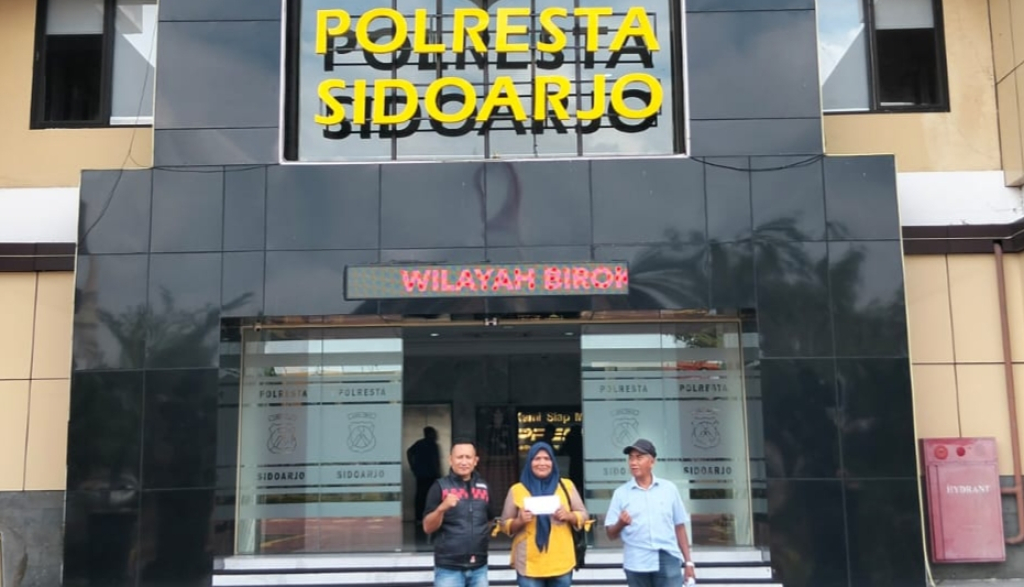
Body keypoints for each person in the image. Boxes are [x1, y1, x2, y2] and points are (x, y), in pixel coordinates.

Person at [604, 439, 696, 587]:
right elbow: (610, 534)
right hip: (636, 561)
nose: (633, 463)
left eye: (639, 458)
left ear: (652, 462)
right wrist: (620, 524)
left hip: (667, 557)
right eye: (631, 458)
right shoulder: (621, 493)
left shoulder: (669, 489)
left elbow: (679, 526)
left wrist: (688, 562)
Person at [500, 442, 588, 587]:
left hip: (561, 561)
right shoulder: (517, 490)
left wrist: (568, 515)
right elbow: (504, 524)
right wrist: (519, 521)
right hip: (529, 563)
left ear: (553, 462)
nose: (542, 463)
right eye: (537, 459)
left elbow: (584, 515)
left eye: (547, 459)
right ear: (529, 462)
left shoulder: (566, 486)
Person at [423, 439, 496, 587]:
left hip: (479, 567)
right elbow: (427, 527)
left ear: (475, 461)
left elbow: (489, 520)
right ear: (450, 460)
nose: (464, 462)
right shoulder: (440, 486)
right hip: (448, 568)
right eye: (459, 457)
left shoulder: (484, 488)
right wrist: (442, 508)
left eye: (468, 457)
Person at [408, 426, 442, 523]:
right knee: (430, 496)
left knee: (421, 496)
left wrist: (413, 466)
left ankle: (420, 517)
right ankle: (429, 516)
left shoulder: (420, 444)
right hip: (430, 474)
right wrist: (438, 473)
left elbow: (409, 452)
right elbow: (436, 461)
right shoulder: (432, 445)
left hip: (422, 474)